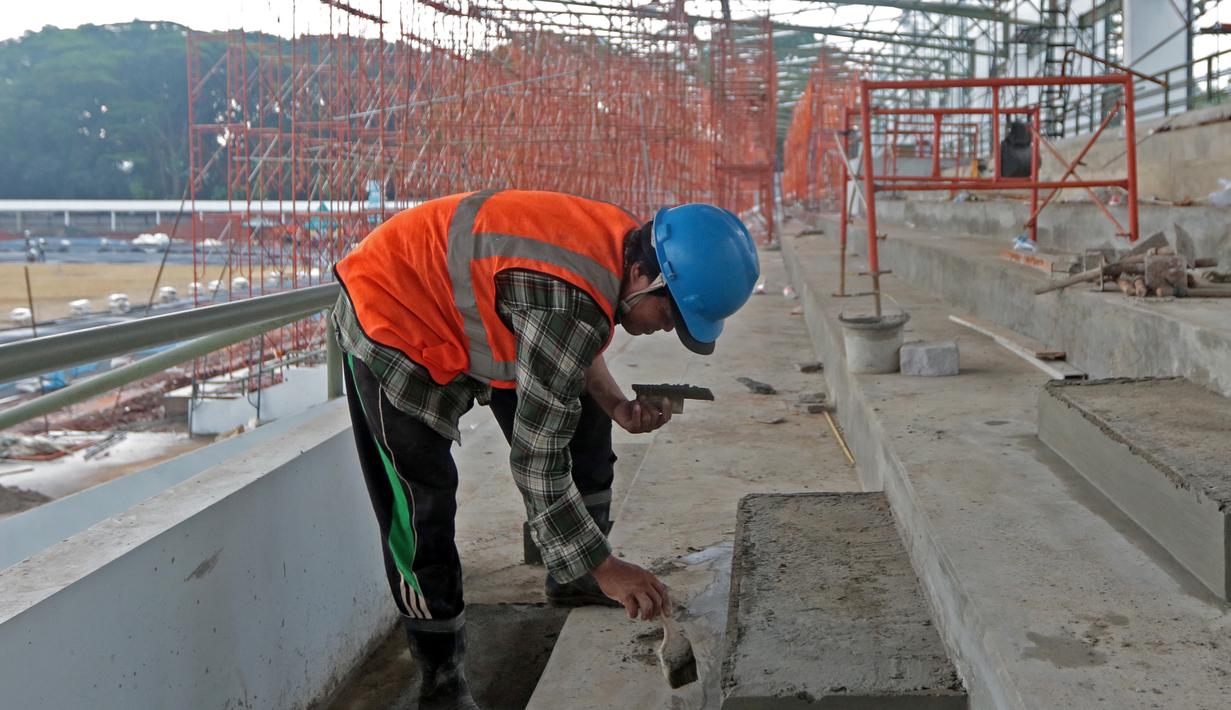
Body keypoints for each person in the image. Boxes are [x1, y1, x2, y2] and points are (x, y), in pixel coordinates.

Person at [332, 189, 759, 709]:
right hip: (392, 316)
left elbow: (575, 335)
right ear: (650, 277)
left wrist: (619, 405)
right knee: (422, 505)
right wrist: (610, 568)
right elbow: (537, 462)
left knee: (583, 415)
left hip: (486, 305)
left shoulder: (622, 247)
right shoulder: (570, 297)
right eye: (671, 317)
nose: (666, 330)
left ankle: (573, 575)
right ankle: (440, 680)